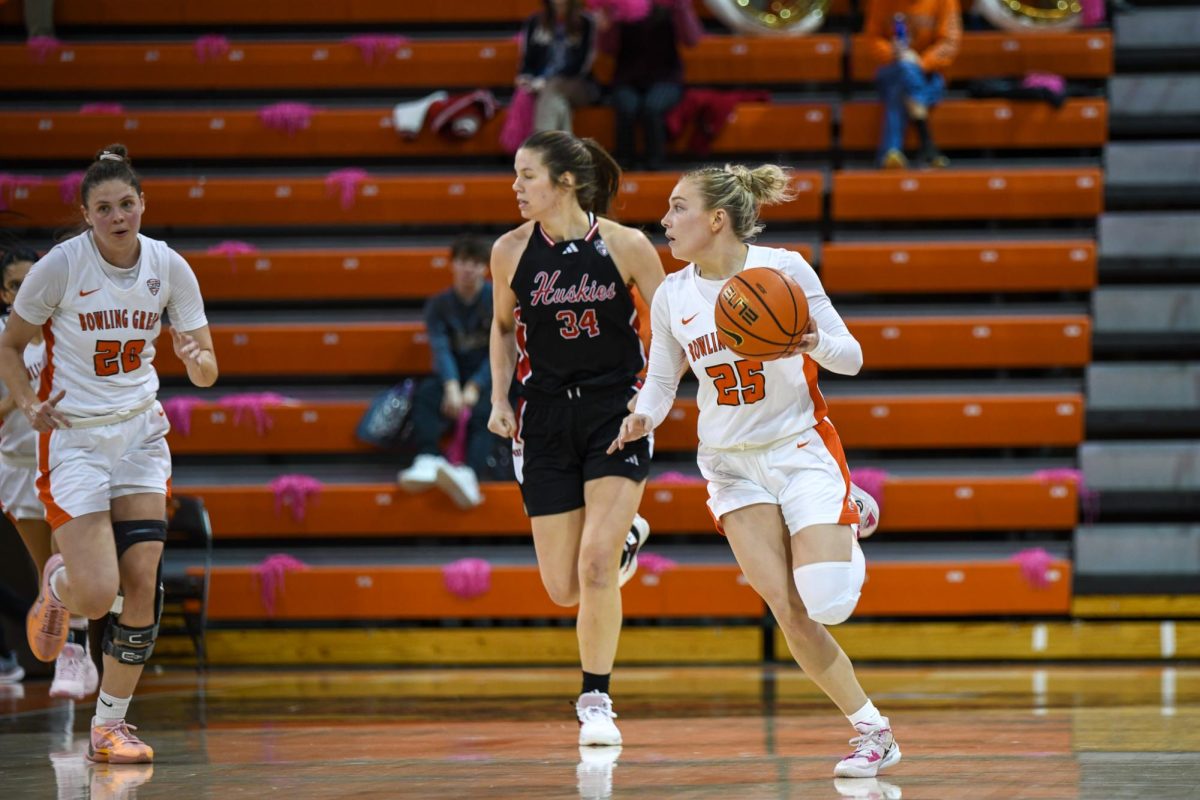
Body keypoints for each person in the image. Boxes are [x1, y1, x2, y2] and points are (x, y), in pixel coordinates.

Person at [608, 163, 898, 778]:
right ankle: (873, 732)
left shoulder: (785, 269)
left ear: (716, 219)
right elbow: (662, 381)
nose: (664, 219)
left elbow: (851, 358)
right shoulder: (671, 294)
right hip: (729, 467)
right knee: (788, 609)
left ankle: (846, 511)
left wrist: (807, 339)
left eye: (677, 207)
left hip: (798, 448)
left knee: (828, 603)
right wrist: (643, 416)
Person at [0, 144, 218, 764]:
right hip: (75, 437)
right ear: (86, 214)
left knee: (144, 581)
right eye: (104, 208)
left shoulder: (169, 266)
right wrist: (26, 402)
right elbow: (9, 347)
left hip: (140, 435)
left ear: (143, 204)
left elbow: (205, 367)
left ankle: (109, 727)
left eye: (127, 204)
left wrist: (198, 362)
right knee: (98, 597)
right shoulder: (59, 268)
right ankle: (60, 584)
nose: (119, 216)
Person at [488, 130, 662, 745]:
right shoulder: (509, 251)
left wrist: (653, 399)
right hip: (543, 420)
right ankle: (628, 543)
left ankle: (596, 698)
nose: (516, 186)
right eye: (515, 174)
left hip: (616, 411)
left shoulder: (625, 244)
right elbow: (503, 329)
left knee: (592, 569)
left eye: (527, 175)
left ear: (565, 182)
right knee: (564, 588)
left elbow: (671, 326)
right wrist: (497, 397)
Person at [0, 245, 99, 699]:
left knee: (70, 565)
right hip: (16, 468)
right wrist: (23, 400)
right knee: (50, 577)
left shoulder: (69, 328)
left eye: (32, 282)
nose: (26, 292)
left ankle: (74, 657)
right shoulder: (5, 340)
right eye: (16, 285)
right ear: (4, 293)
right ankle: (66, 640)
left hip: (64, 462)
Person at [397, 234, 500, 508]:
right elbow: (440, 349)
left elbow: (502, 350)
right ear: (452, 265)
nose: (469, 269)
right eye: (463, 262)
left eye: (475, 263)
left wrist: (475, 387)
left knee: (487, 408)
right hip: (453, 374)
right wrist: (452, 386)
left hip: (492, 375)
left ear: (485, 268)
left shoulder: (499, 300)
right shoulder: (439, 305)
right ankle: (428, 458)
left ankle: (469, 474)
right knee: (426, 394)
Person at [595, 0, 703, 171]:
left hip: (666, 79)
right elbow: (608, 49)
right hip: (627, 79)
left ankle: (656, 164)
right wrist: (607, 26)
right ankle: (623, 164)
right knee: (626, 106)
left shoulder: (670, 7)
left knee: (652, 107)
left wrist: (682, 8)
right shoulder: (620, 7)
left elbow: (691, 39)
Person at [863, 0, 962, 169]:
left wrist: (920, 62)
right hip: (891, 69)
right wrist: (893, 53)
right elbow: (872, 39)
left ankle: (891, 152)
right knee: (903, 70)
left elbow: (949, 43)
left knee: (900, 88)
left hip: (930, 74)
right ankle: (926, 142)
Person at [516, 0, 599, 135]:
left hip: (578, 85)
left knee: (552, 88)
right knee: (559, 105)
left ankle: (542, 145)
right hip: (542, 86)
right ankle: (562, 153)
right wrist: (526, 78)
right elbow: (527, 61)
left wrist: (546, 81)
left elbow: (583, 65)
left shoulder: (586, 22)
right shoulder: (534, 22)